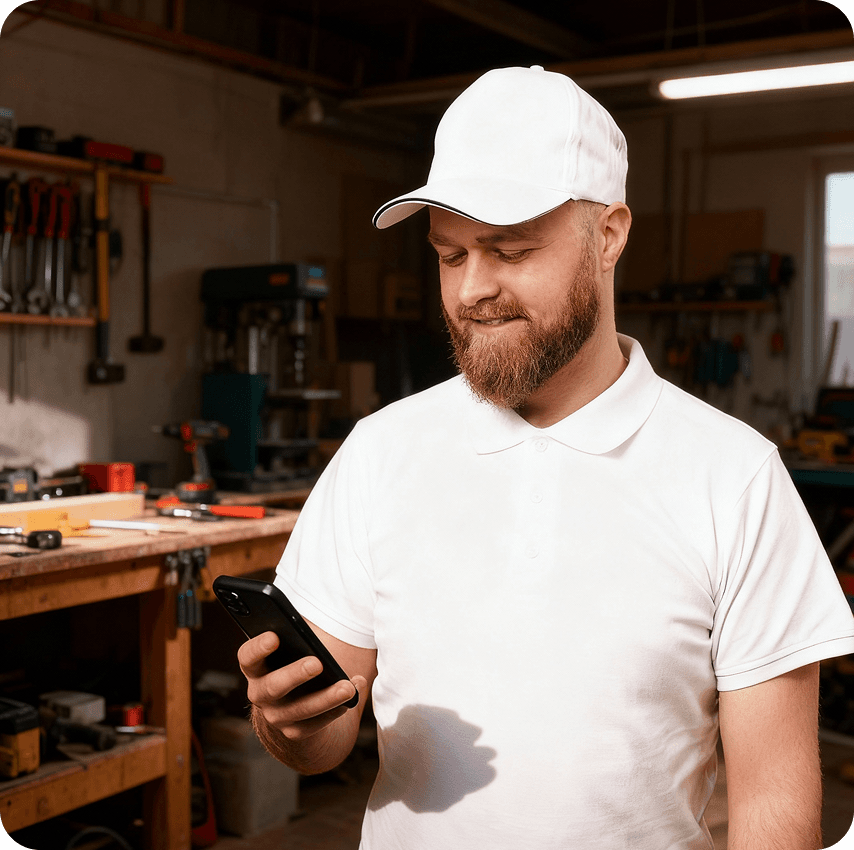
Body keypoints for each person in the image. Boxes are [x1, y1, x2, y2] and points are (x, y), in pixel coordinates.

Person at [238, 65, 854, 849]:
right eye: (451, 254)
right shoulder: (381, 453)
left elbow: (774, 810)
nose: (471, 291)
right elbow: (320, 742)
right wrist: (289, 722)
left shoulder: (734, 478)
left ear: (609, 236)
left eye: (511, 249)